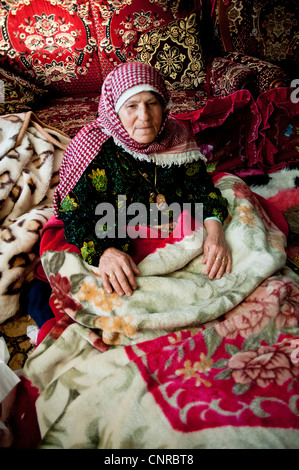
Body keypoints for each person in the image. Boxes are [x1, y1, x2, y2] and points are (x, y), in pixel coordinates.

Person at [54, 62, 232, 298]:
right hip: (116, 234)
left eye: (152, 104)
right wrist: (105, 252)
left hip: (174, 230)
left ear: (164, 105)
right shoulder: (91, 149)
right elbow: (75, 215)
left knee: (239, 252)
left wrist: (216, 235)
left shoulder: (176, 136)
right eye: (132, 106)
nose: (144, 117)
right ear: (114, 111)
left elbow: (200, 188)